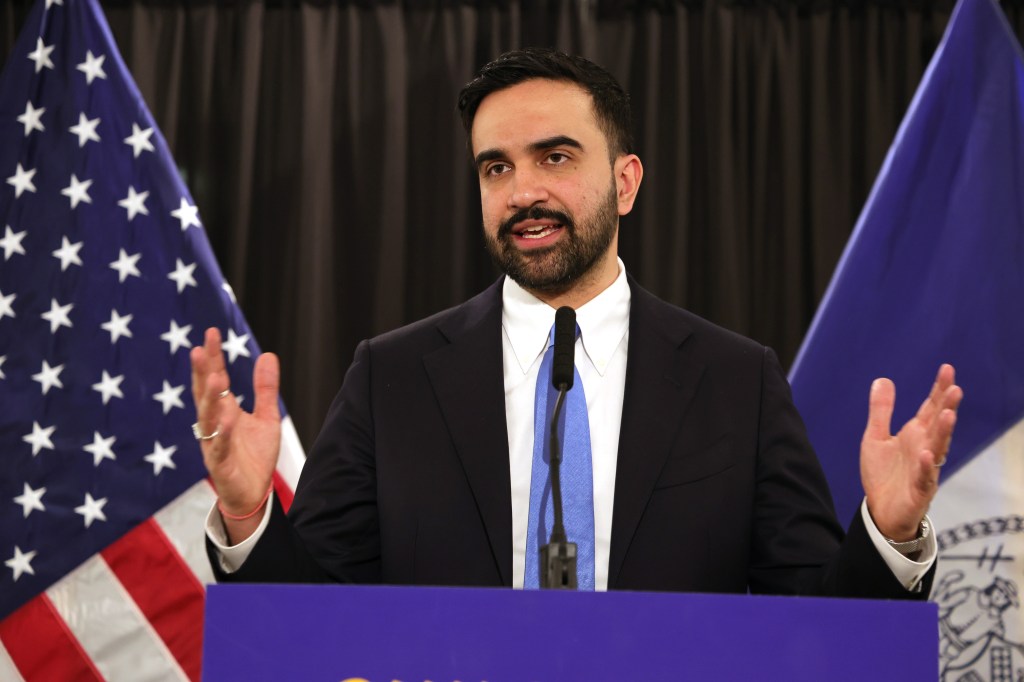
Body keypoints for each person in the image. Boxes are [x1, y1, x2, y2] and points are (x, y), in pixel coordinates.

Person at [192, 48, 962, 596]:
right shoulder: (391, 378)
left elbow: (817, 628)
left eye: (555, 157)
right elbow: (310, 619)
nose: (522, 191)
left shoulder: (735, 381)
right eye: (496, 167)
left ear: (625, 182)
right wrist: (248, 515)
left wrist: (888, 536)